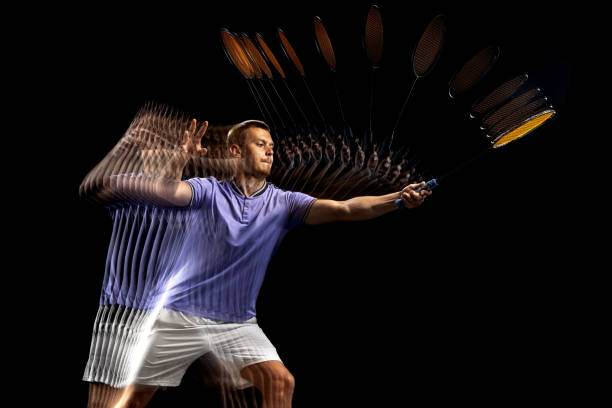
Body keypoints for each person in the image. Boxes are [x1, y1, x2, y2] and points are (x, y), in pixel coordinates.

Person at [84, 118, 432, 407]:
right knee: (131, 400)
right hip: (179, 315)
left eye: (271, 145)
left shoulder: (284, 203)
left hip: (236, 323)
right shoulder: (208, 191)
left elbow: (346, 208)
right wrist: (179, 159)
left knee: (281, 383)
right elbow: (168, 193)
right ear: (236, 151)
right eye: (260, 144)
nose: (270, 150)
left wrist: (397, 199)